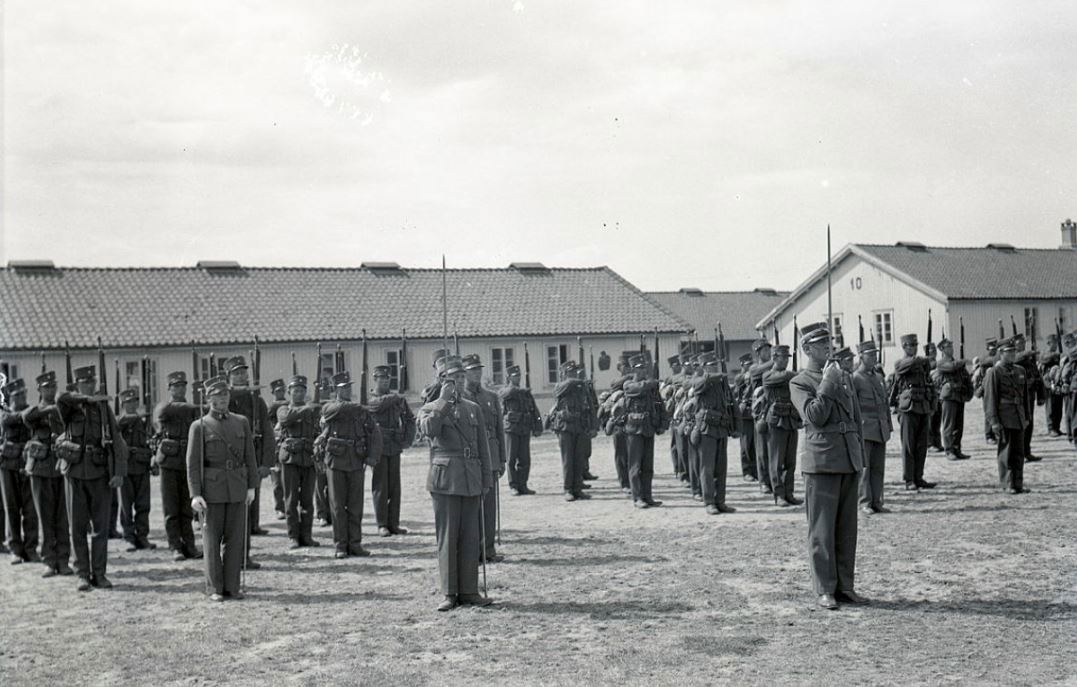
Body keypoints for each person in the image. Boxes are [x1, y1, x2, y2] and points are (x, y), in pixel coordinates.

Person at [789, 322, 866, 610]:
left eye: (828, 342)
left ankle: (845, 586)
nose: (827, 347)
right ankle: (825, 589)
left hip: (847, 458)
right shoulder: (800, 382)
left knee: (847, 529)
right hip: (821, 462)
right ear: (806, 349)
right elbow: (815, 416)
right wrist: (828, 382)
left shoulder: (843, 376)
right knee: (822, 531)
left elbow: (856, 419)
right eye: (820, 344)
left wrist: (860, 457)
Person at [417, 355, 494, 612]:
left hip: (471, 478)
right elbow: (429, 430)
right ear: (442, 381)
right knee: (448, 538)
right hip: (445, 480)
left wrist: (486, 479)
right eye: (454, 378)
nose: (460, 381)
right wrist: (443, 402)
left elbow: (483, 447)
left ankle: (470, 590)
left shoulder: (473, 408)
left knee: (471, 537)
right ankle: (450, 592)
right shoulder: (430, 408)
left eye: (462, 377)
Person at [56, 365, 128, 591]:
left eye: (92, 382)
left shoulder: (103, 409)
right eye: (85, 382)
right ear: (77, 385)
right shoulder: (70, 408)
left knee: (100, 527)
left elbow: (117, 440)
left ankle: (99, 574)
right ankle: (82, 574)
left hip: (99, 472)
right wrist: (85, 398)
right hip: (75, 472)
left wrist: (118, 472)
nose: (90, 385)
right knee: (77, 527)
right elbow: (60, 397)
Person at [187, 378, 258, 601]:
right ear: (208, 399)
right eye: (217, 396)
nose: (223, 399)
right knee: (211, 542)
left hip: (237, 487)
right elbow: (193, 464)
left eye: (225, 395)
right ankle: (214, 588)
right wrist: (195, 494)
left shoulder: (241, 422)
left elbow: (250, 457)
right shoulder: (200, 426)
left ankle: (232, 587)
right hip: (212, 490)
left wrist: (251, 486)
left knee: (236, 541)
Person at [317, 372, 383, 558]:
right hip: (335, 461)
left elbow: (374, 433)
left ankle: (355, 543)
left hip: (356, 460)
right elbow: (334, 410)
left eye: (348, 387)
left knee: (355, 506)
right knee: (337, 506)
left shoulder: (360, 411)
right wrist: (359, 406)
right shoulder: (330, 407)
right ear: (336, 390)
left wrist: (372, 457)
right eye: (343, 388)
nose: (346, 390)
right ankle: (340, 545)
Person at [22, 371, 72, 576]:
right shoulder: (36, 412)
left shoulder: (63, 410)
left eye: (53, 387)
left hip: (61, 467)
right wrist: (48, 409)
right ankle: (49, 560)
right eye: (46, 387)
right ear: (39, 390)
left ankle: (63, 560)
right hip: (41, 470)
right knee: (45, 518)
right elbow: (26, 417)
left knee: (63, 518)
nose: (50, 390)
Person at [224, 356, 274, 548]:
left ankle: (253, 525)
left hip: (254, 451)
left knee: (254, 489)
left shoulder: (257, 401)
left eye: (243, 373)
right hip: (231, 454)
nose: (241, 376)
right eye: (236, 373)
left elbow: (267, 432)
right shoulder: (225, 400)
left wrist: (266, 462)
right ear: (229, 377)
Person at [608, 354, 667, 509]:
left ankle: (648, 496)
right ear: (633, 369)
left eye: (644, 368)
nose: (643, 371)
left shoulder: (651, 387)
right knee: (635, 465)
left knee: (648, 466)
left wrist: (663, 423)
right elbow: (638, 389)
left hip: (648, 428)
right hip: (633, 429)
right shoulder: (628, 384)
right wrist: (652, 382)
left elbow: (659, 404)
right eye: (639, 368)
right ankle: (637, 497)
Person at [153, 371, 201, 561]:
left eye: (183, 386)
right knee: (171, 507)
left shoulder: (191, 409)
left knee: (187, 508)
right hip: (169, 462)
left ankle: (189, 545)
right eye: (176, 386)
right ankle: (175, 546)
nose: (180, 389)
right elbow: (161, 413)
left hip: (187, 460)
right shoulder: (167, 408)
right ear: (169, 389)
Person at [461, 354, 505, 562]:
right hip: (471, 456)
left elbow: (499, 430)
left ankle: (488, 549)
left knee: (489, 507)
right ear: (464, 373)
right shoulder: (459, 397)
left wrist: (502, 459)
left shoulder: (491, 397)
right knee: (472, 507)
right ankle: (472, 551)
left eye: (479, 369)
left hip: (491, 456)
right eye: (472, 370)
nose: (477, 373)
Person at [368, 365, 417, 536]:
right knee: (381, 486)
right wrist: (397, 396)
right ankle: (382, 524)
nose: (384, 381)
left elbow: (410, 419)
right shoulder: (371, 399)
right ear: (375, 380)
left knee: (395, 487)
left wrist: (407, 440)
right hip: (378, 447)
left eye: (387, 379)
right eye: (381, 379)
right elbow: (378, 406)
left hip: (394, 445)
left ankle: (393, 523)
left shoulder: (398, 399)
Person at [276, 375, 321, 548]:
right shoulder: (283, 409)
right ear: (289, 392)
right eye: (295, 391)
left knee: (307, 500)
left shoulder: (312, 410)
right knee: (291, 499)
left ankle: (306, 535)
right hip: (290, 459)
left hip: (308, 458)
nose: (299, 394)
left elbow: (318, 430)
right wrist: (307, 409)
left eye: (302, 391)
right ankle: (293, 536)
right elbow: (285, 419)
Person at [689, 353, 736, 515]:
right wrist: (718, 374)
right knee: (707, 468)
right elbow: (700, 383)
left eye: (715, 364)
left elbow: (730, 404)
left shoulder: (720, 383)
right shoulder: (698, 380)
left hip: (721, 428)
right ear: (703, 367)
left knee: (721, 468)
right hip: (706, 429)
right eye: (710, 365)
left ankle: (720, 501)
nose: (714, 367)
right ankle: (709, 501)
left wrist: (735, 426)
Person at [983, 338, 1030, 494]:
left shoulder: (1020, 371)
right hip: (1004, 417)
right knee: (1006, 452)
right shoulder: (994, 372)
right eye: (1008, 352)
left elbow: (1025, 397)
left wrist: (1027, 416)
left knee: (1019, 452)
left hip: (1018, 416)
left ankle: (1018, 483)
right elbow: (990, 399)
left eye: (1013, 351)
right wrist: (994, 422)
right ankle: (1008, 483)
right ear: (1001, 353)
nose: (1012, 354)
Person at [889, 333, 936, 491]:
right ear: (904, 347)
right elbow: (906, 365)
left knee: (922, 445)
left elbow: (928, 380)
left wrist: (932, 404)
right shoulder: (900, 363)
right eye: (911, 345)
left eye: (916, 345)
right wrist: (924, 359)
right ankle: (909, 479)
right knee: (909, 445)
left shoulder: (921, 363)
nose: (914, 348)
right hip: (908, 408)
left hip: (922, 405)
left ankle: (918, 477)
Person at [1, 377, 39, 564]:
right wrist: (27, 414)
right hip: (8, 466)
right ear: (10, 397)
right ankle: (15, 548)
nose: (21, 398)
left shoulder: (31, 412)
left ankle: (30, 548)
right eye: (17, 395)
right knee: (12, 509)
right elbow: (9, 420)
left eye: (23, 394)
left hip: (28, 465)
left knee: (31, 510)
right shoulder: (5, 413)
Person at [852, 341, 891, 514]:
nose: (874, 357)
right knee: (865, 468)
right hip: (864, 430)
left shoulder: (878, 377)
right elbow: (852, 406)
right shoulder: (855, 378)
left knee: (878, 468)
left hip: (880, 429)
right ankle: (864, 502)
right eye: (870, 354)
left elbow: (884, 404)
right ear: (861, 356)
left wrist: (888, 425)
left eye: (875, 354)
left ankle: (877, 501)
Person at [117, 388, 157, 551]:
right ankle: (128, 536)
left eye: (134, 402)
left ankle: (142, 536)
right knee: (126, 506)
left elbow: (152, 441)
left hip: (142, 467)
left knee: (143, 505)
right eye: (128, 403)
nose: (132, 405)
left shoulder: (143, 422)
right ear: (122, 405)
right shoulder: (118, 423)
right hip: (125, 469)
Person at [763, 345, 803, 507]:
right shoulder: (768, 375)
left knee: (790, 461)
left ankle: (789, 493)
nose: (786, 360)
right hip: (776, 421)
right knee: (776, 462)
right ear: (774, 358)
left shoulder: (789, 375)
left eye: (787, 357)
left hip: (790, 419)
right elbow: (784, 377)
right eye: (783, 357)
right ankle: (779, 494)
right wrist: (800, 374)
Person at [547, 361, 592, 502]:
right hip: (565, 427)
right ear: (564, 373)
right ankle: (568, 489)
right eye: (570, 372)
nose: (574, 374)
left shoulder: (580, 386)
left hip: (579, 425)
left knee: (579, 459)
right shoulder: (560, 386)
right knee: (568, 460)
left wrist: (592, 425)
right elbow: (559, 391)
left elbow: (589, 405)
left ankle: (577, 488)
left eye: (575, 372)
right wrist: (577, 381)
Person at [499, 364, 542, 496]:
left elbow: (534, 410)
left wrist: (537, 426)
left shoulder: (525, 393)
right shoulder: (506, 391)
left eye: (519, 375)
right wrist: (519, 390)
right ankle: (513, 485)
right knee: (511, 459)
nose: (518, 378)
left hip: (524, 428)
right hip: (511, 429)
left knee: (525, 459)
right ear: (508, 377)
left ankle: (523, 485)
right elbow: (504, 394)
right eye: (515, 376)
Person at [935, 338, 972, 460]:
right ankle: (949, 450)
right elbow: (951, 367)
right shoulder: (941, 363)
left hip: (959, 395)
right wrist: (963, 361)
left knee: (958, 425)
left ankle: (957, 448)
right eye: (948, 347)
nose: (951, 349)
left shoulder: (957, 363)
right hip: (949, 396)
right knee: (949, 425)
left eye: (951, 346)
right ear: (942, 350)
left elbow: (965, 376)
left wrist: (969, 392)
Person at [1013, 335, 1045, 462]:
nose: (1022, 345)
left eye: (1023, 343)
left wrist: (1041, 395)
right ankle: (1019, 453)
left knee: (1029, 424)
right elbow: (1016, 359)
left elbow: (1037, 376)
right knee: (1021, 425)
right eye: (1019, 343)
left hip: (1030, 396)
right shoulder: (1013, 358)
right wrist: (1027, 353)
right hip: (1019, 397)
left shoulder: (1028, 360)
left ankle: (1027, 451)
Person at [749, 340, 775, 495]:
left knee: (774, 449)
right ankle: (764, 481)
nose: (769, 353)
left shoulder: (773, 368)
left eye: (769, 350)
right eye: (765, 351)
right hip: (761, 412)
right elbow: (759, 371)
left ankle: (774, 480)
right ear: (758, 353)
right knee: (762, 450)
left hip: (774, 410)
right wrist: (777, 359)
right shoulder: (754, 368)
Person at [733, 353, 758, 482]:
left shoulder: (753, 375)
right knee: (746, 444)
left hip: (755, 412)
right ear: (742, 365)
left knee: (755, 444)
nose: (751, 366)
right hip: (745, 414)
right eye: (748, 364)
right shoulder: (740, 377)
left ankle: (755, 470)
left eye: (752, 364)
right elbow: (741, 381)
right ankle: (747, 470)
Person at [266, 378, 288, 521]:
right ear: (273, 392)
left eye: (282, 390)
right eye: (277, 391)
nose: (280, 393)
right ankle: (279, 508)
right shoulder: (269, 408)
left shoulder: (289, 405)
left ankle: (290, 507)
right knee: (277, 483)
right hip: (275, 447)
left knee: (289, 481)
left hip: (287, 446)